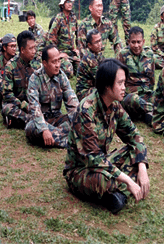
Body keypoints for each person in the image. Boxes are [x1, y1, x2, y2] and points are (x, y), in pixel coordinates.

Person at [64, 58, 150, 215]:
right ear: (106, 85)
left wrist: (142, 168)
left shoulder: (115, 105)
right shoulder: (86, 111)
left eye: (124, 83)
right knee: (103, 181)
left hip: (103, 162)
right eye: (120, 83)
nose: (124, 88)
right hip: (81, 170)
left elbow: (135, 136)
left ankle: (118, 194)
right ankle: (120, 192)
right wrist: (129, 180)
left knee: (135, 155)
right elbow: (94, 159)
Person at [26, 45, 79, 148]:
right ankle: (71, 141)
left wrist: (80, 121)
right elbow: (34, 107)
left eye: (59, 61)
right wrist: (44, 129)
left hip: (57, 119)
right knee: (31, 128)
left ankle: (57, 138)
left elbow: (72, 100)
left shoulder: (61, 76)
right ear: (45, 63)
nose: (58, 65)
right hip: (40, 120)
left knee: (75, 122)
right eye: (54, 62)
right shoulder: (35, 79)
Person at [2, 30, 40, 129]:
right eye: (31, 48)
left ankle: (22, 121)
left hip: (34, 103)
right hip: (18, 104)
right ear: (22, 50)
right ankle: (32, 120)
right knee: (7, 109)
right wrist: (24, 105)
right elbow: (7, 94)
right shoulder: (11, 66)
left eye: (34, 48)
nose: (34, 51)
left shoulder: (37, 65)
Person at [117, 27, 155, 126]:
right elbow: (118, 80)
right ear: (128, 41)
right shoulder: (122, 55)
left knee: (160, 96)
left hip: (146, 95)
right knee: (134, 99)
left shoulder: (149, 54)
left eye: (139, 42)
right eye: (133, 42)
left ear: (143, 41)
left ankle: (146, 113)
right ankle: (155, 112)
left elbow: (152, 79)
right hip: (130, 97)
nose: (136, 45)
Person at [47, 0, 80, 77]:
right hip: (62, 53)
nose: (70, 4)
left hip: (72, 53)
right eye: (67, 2)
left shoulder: (74, 18)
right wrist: (58, 54)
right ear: (62, 5)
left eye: (70, 2)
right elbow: (51, 37)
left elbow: (78, 35)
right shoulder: (58, 18)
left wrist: (78, 49)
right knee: (68, 73)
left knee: (83, 71)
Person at [76, 29, 105, 101]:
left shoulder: (98, 54)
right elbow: (101, 79)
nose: (99, 44)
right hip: (84, 93)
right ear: (89, 45)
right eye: (96, 42)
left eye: (100, 40)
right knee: (105, 90)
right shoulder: (89, 58)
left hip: (93, 87)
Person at [0, 33, 17, 107]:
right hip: (0, 87)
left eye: (15, 46)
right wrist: (8, 89)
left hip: (12, 87)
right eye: (12, 46)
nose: (14, 49)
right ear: (4, 47)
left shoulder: (16, 59)